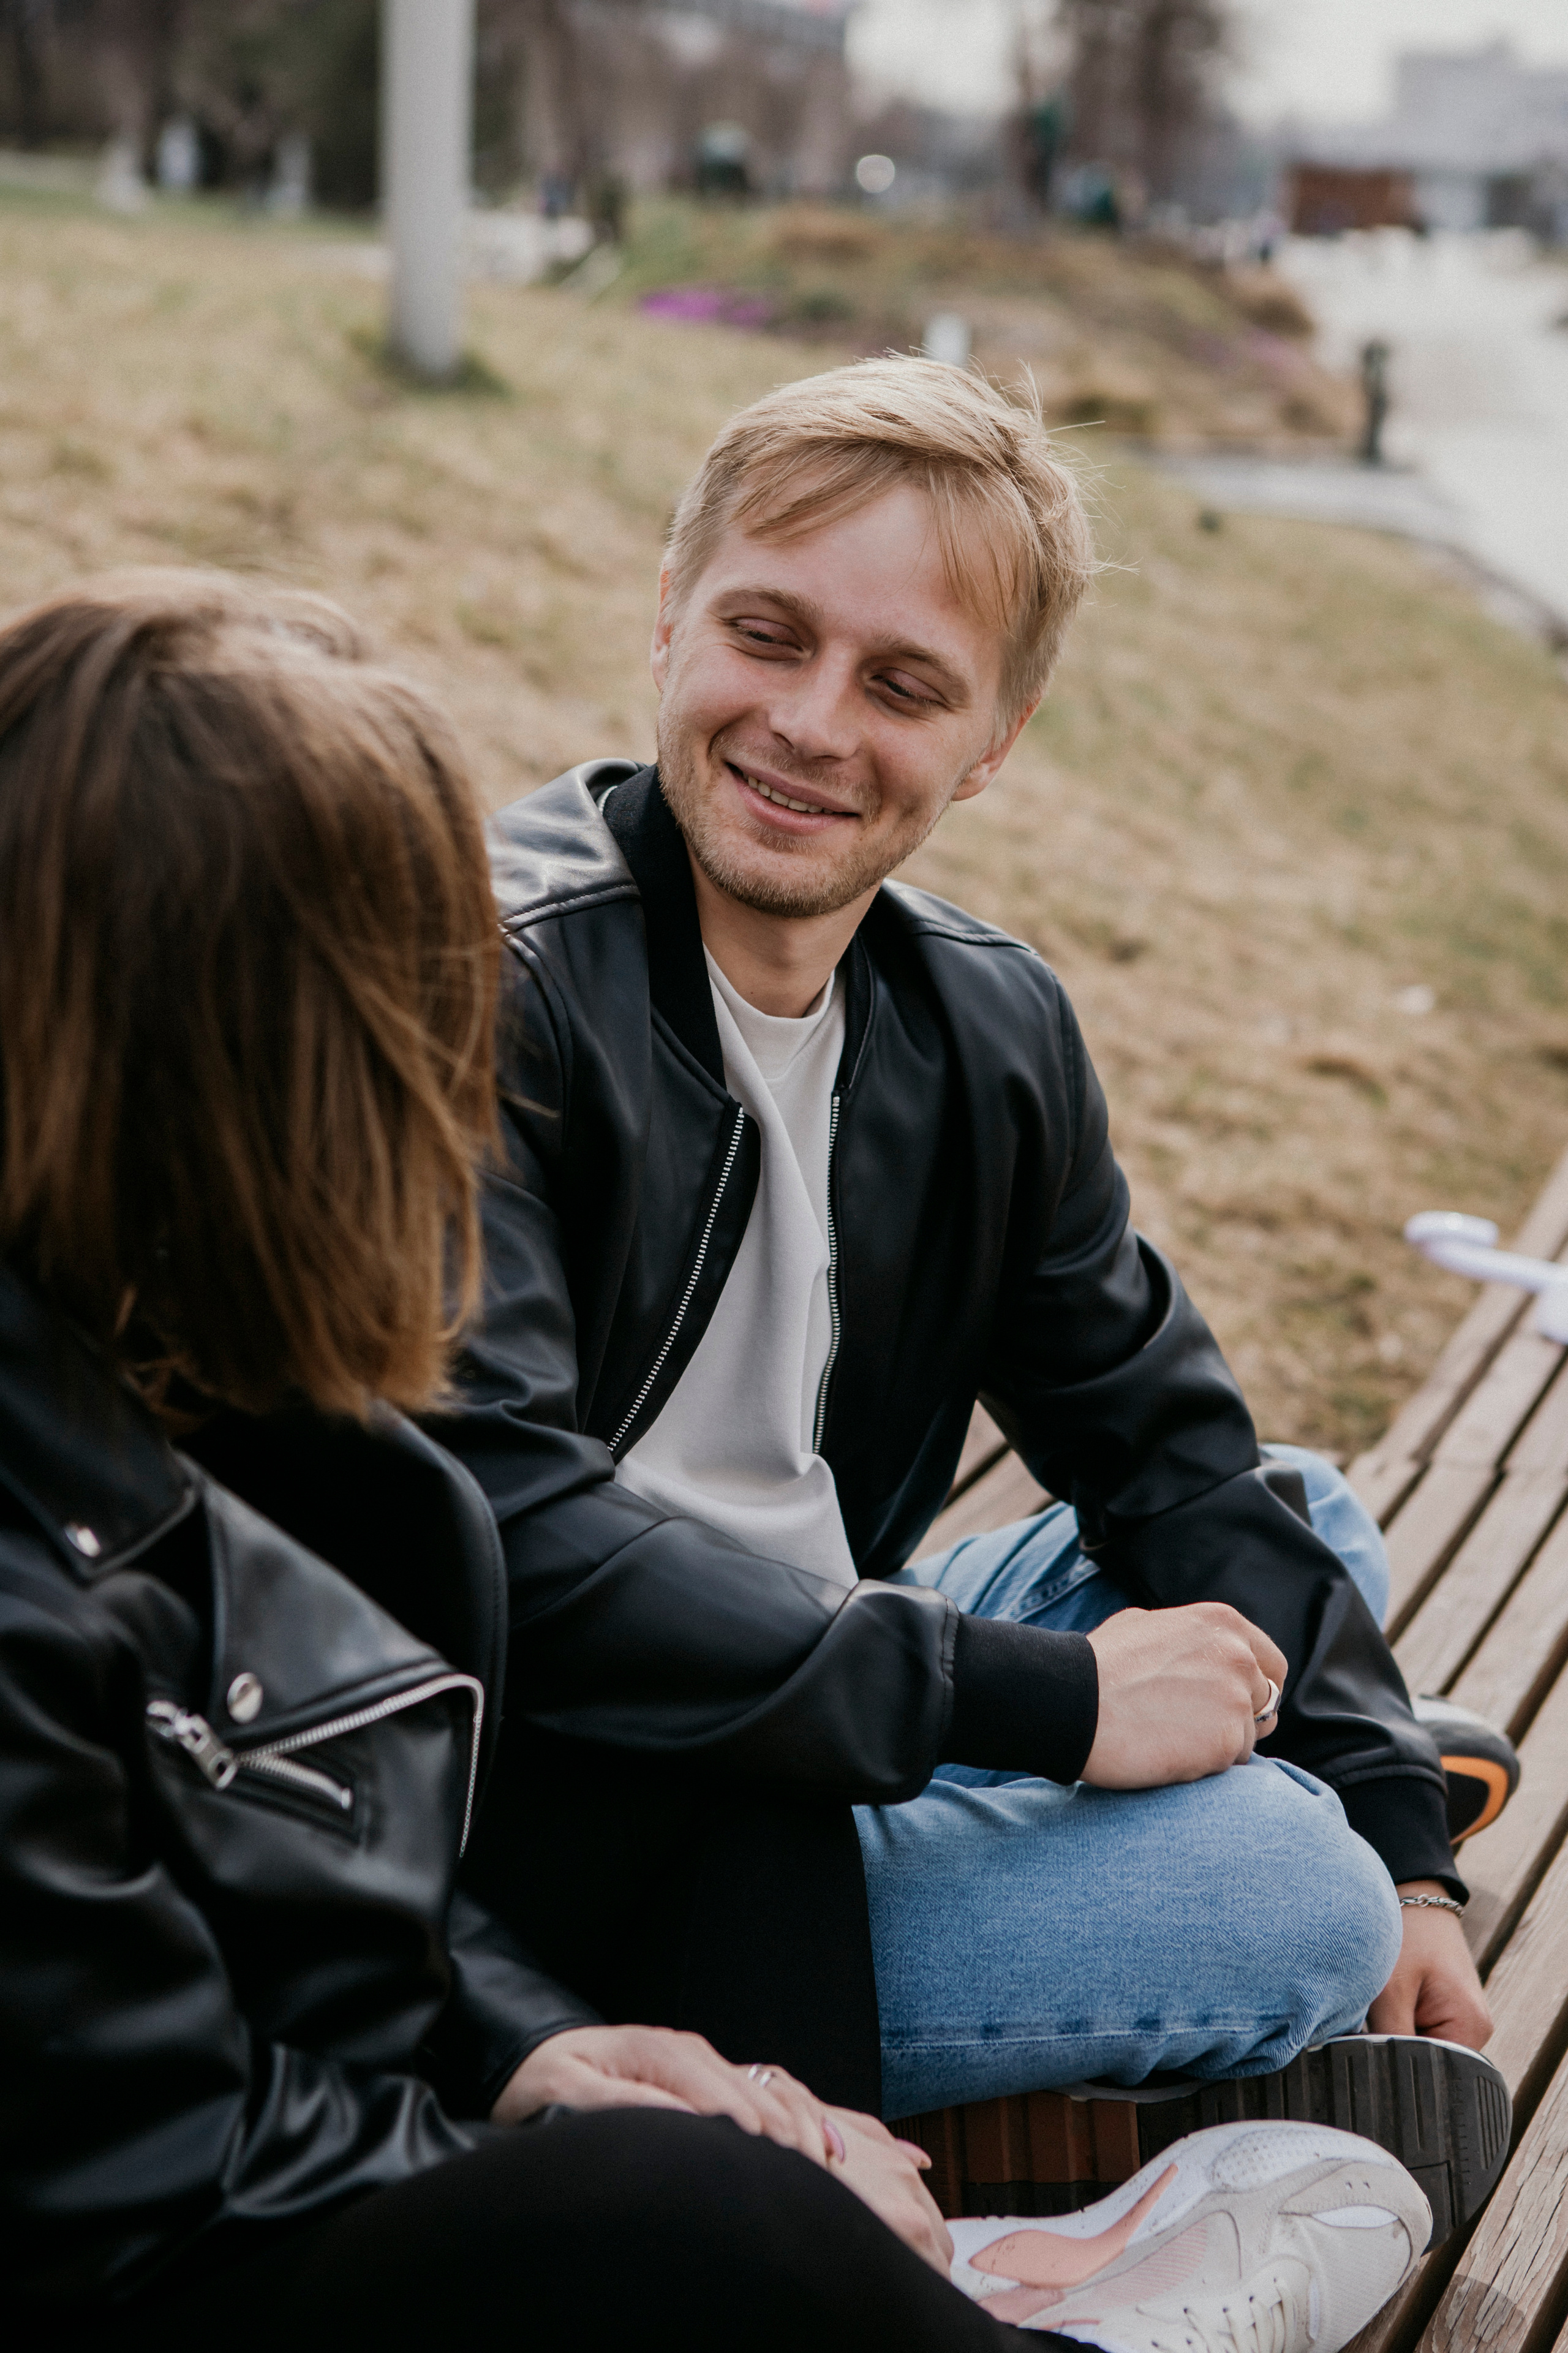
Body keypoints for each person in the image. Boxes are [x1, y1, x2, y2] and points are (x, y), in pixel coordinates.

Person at [435, 357, 1507, 2211]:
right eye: (768, 635)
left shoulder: (982, 1026)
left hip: (826, 1666)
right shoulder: (489, 985)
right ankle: (1186, 1868)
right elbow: (512, 1543)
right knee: (1288, 1888)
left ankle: (1316, 1779)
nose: (810, 723)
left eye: (905, 684)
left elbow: (1168, 1452)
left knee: (1291, 1521)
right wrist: (1060, 1707)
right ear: (669, 613)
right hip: (579, 1809)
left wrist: (1417, 1858)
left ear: (996, 737)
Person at [0, 572, 1014, 2349]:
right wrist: (584, 2162)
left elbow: (270, 1872)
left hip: (314, 2091)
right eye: (411, 993)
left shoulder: (187, 1361)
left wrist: (530, 2043)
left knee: (741, 1806)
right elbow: (130, 2165)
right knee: (706, 2211)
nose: (455, 1054)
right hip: (144, 2245)